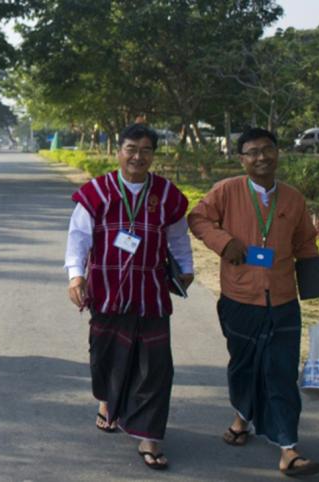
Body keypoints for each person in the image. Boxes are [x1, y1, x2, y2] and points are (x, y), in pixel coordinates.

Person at [188, 127, 319, 477]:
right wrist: (224, 242)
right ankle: (242, 417)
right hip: (240, 298)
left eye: (267, 149)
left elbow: (305, 244)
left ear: (277, 153)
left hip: (283, 301)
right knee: (244, 367)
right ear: (242, 159)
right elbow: (198, 218)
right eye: (252, 152)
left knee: (281, 371)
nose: (261, 157)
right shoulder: (227, 190)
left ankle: (288, 448)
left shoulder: (293, 199)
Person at [65, 123, 194, 470]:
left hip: (151, 293)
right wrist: (76, 275)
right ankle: (108, 400)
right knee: (105, 357)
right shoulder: (97, 192)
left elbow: (178, 237)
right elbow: (78, 238)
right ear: (118, 151)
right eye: (131, 149)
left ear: (153, 155)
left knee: (156, 367)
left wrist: (186, 267)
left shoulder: (167, 195)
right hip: (106, 292)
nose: (138, 156)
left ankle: (149, 437)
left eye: (146, 150)